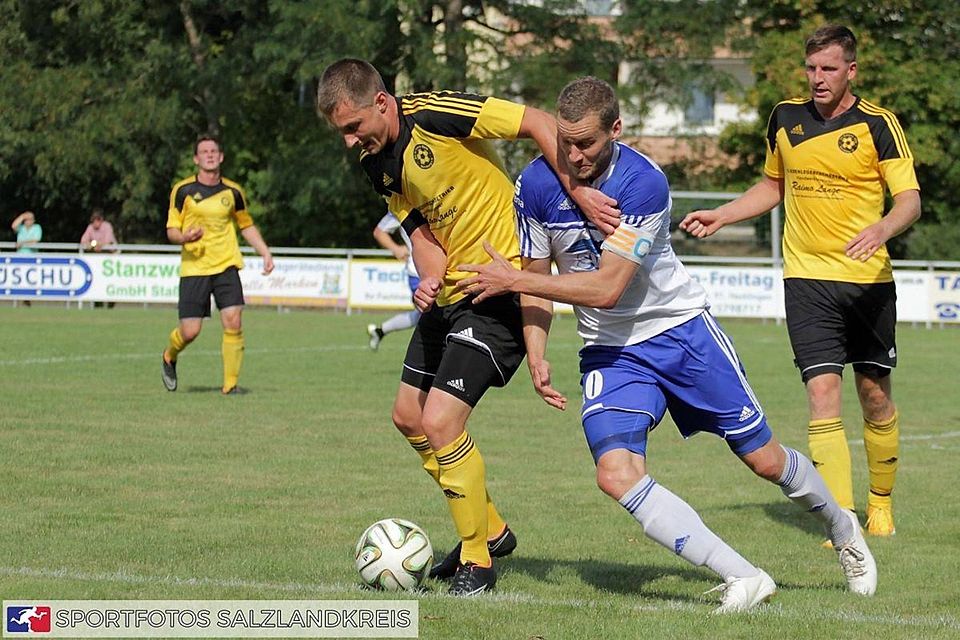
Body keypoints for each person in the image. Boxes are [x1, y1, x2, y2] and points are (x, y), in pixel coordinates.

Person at [458, 76, 877, 612]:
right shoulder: (535, 186)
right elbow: (537, 274)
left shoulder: (643, 182)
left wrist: (514, 281)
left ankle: (843, 529)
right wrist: (536, 352)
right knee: (615, 473)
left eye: (585, 142)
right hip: (610, 351)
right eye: (565, 142)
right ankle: (744, 577)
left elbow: (606, 288)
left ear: (616, 129)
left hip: (681, 334)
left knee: (765, 461)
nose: (574, 154)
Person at [317, 58, 618, 596]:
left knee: (440, 420)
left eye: (352, 127)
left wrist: (577, 191)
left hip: (498, 287)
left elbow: (535, 120)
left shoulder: (435, 115)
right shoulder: (374, 164)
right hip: (450, 294)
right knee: (407, 416)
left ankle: (477, 563)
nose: (348, 141)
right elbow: (422, 233)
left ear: (381, 104)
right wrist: (428, 280)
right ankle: (492, 528)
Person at [680, 25, 921, 540]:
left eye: (829, 68)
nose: (818, 78)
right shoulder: (785, 118)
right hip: (806, 279)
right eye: (811, 68)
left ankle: (881, 502)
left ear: (850, 70)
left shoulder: (880, 125)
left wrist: (882, 227)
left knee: (874, 395)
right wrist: (724, 215)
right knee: (822, 392)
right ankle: (845, 523)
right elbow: (772, 185)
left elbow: (910, 201)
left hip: (867, 282)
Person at [161, 135, 275, 395]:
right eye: (204, 151)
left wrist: (265, 252)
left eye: (214, 151)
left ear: (221, 157)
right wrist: (184, 237)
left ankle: (230, 384)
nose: (210, 155)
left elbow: (245, 225)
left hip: (226, 264)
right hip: (195, 267)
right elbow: (171, 230)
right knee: (190, 331)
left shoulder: (233, 192)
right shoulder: (183, 190)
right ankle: (169, 355)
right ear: (196, 159)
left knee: (233, 320)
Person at [366, 210, 421, 350]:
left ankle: (380, 331)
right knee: (433, 318)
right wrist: (396, 248)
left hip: (443, 269)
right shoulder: (402, 205)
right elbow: (379, 232)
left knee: (423, 317)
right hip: (418, 273)